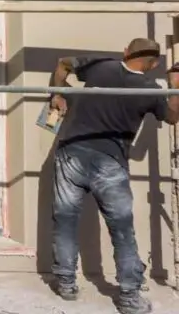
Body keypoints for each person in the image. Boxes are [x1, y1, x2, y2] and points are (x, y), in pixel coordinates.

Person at [47, 37, 179, 313]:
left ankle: (66, 283)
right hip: (109, 163)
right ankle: (130, 298)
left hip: (71, 151)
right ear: (153, 64)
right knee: (121, 228)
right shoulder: (150, 89)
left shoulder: (100, 67)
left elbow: (63, 64)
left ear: (125, 52)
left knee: (66, 218)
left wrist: (57, 94)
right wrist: (177, 86)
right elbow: (172, 116)